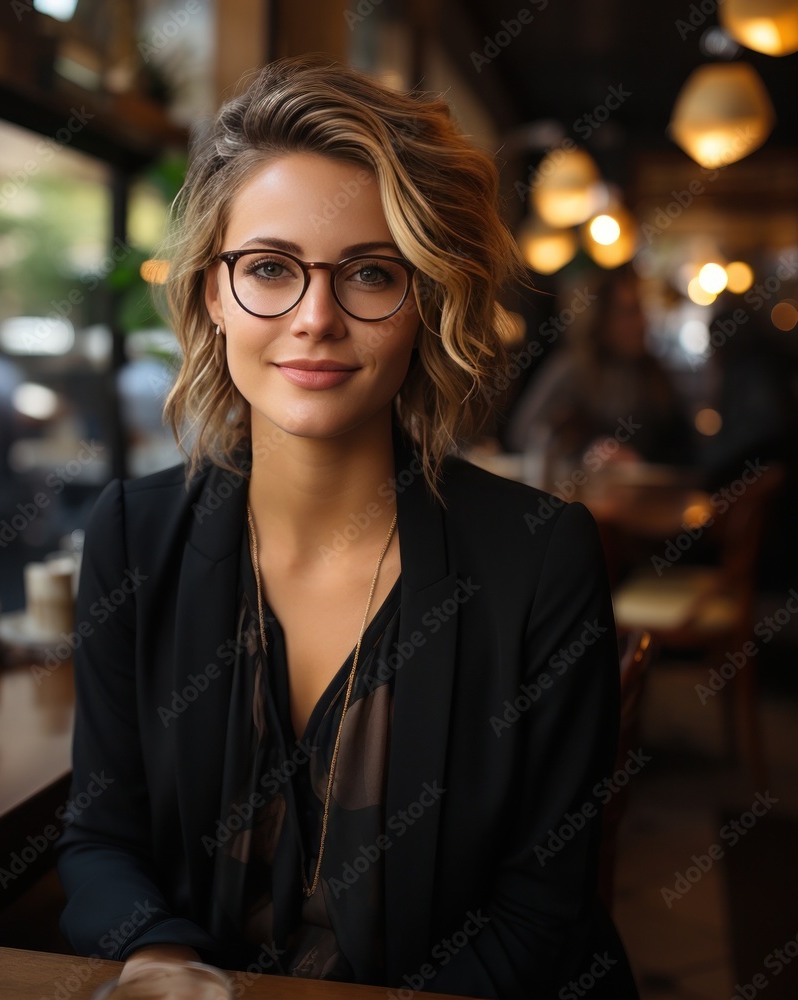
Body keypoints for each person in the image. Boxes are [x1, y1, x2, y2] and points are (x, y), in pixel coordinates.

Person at [56, 57, 638, 999]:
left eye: (371, 273)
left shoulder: (539, 557)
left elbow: (545, 911)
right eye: (271, 269)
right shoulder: (132, 536)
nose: (315, 319)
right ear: (213, 291)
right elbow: (100, 840)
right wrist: (158, 955)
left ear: (426, 303)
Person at [505, 266, 693, 468]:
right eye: (628, 313)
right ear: (600, 319)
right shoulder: (573, 369)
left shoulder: (654, 374)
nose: (641, 323)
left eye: (641, 311)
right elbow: (522, 435)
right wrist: (586, 451)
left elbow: (687, 452)